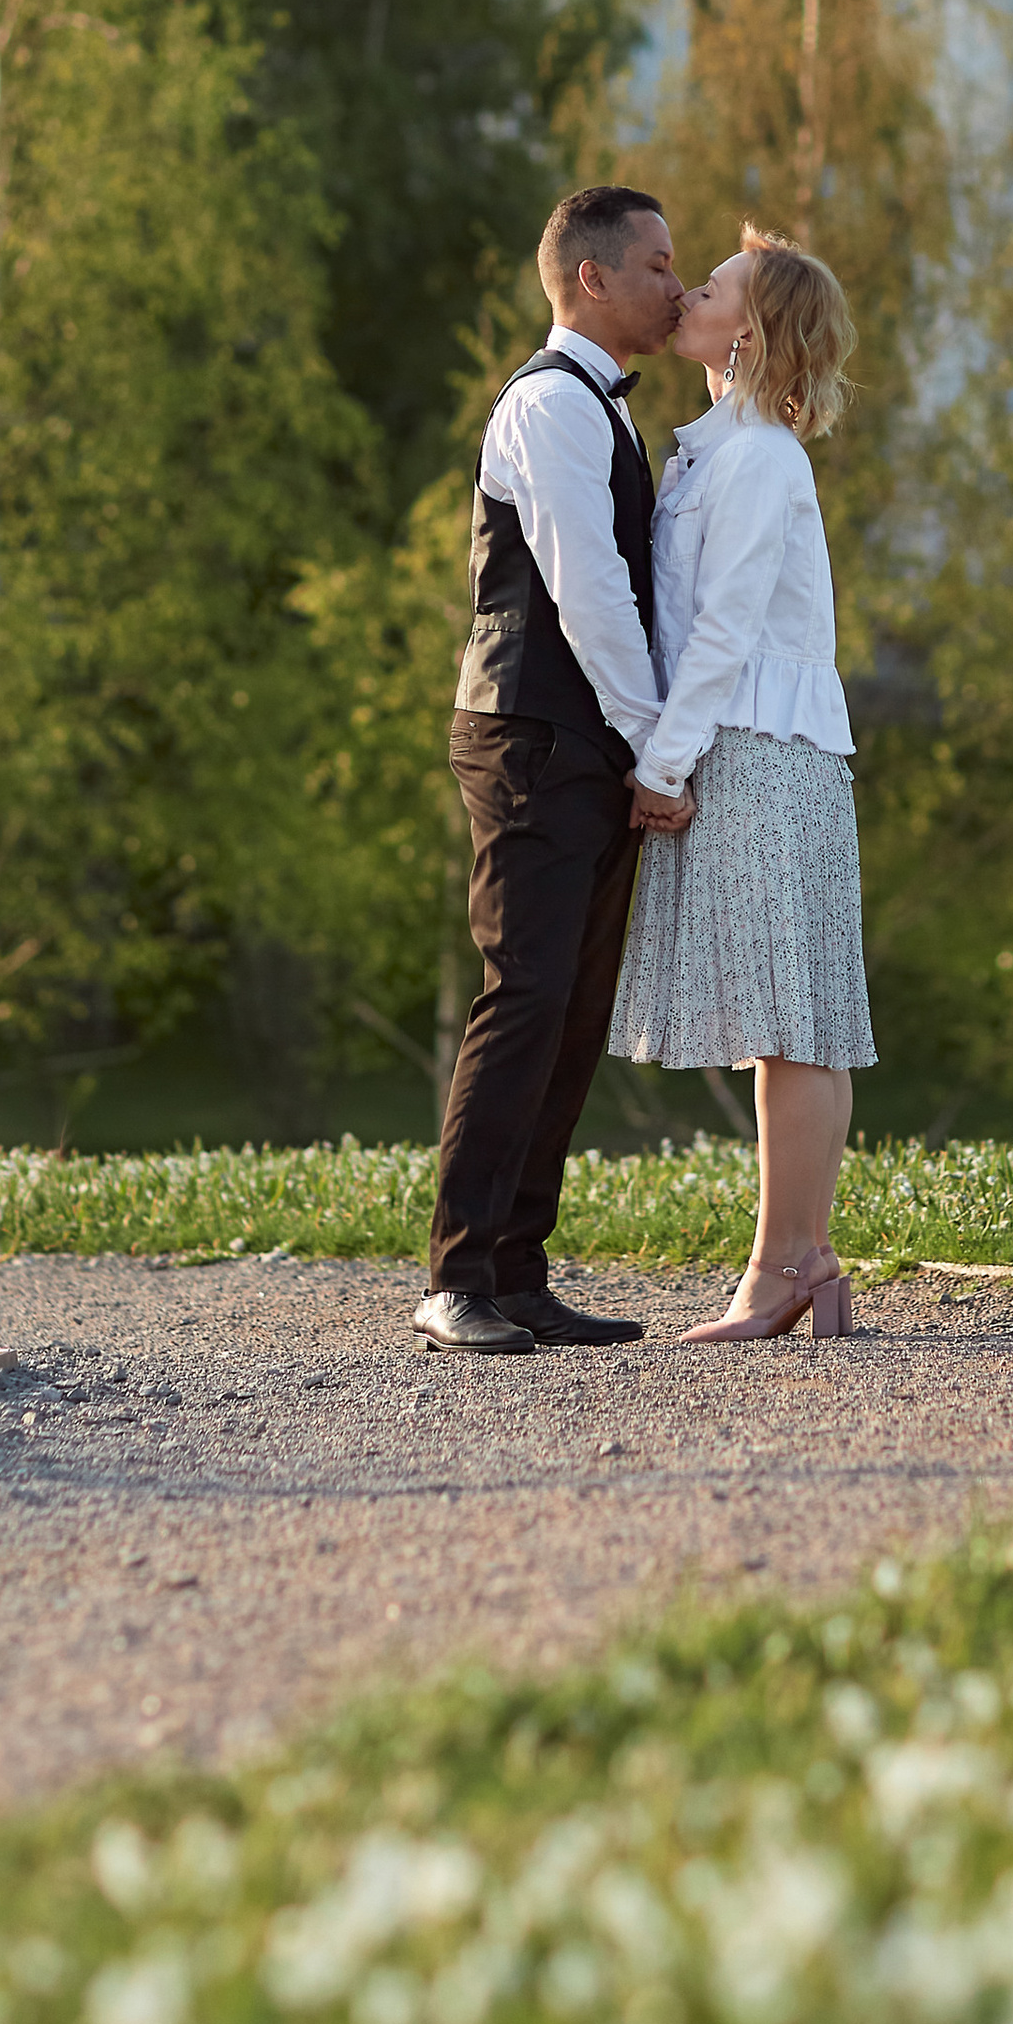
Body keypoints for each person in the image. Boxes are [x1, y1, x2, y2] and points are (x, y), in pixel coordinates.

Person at [416, 186, 693, 1358]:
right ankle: (454, 1277)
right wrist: (651, 743)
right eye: (658, 265)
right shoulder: (553, 408)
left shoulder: (606, 412)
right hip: (532, 733)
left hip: (578, 740)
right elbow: (589, 595)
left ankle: (518, 1271)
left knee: (571, 1010)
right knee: (524, 993)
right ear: (592, 278)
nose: (676, 288)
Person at [612, 228, 875, 1339]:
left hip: (764, 752)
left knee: (792, 1022)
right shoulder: (723, 447)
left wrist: (660, 762)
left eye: (707, 288)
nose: (685, 295)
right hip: (761, 748)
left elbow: (721, 630)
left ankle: (783, 1267)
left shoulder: (761, 456)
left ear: (748, 332)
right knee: (796, 1020)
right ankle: (801, 1256)